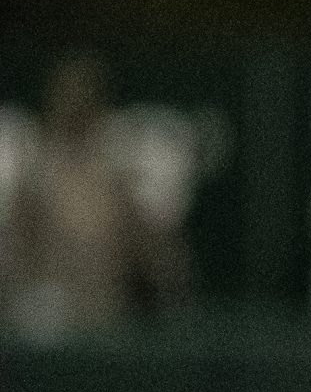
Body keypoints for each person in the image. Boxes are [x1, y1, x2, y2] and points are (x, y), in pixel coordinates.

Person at [3, 53, 188, 339]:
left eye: (83, 103)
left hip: (106, 321)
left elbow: (163, 265)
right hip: (45, 321)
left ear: (97, 108)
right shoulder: (35, 174)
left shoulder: (118, 176)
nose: (74, 112)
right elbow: (13, 254)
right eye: (67, 101)